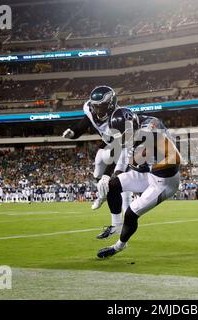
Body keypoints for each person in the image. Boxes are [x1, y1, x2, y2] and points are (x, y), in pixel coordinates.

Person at [96, 108, 181, 258]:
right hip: (148, 173)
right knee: (112, 185)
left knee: (130, 213)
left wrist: (148, 166)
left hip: (164, 180)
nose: (121, 139)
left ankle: (119, 246)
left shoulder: (152, 132)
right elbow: (121, 155)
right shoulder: (132, 129)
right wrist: (108, 175)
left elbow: (176, 159)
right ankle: (116, 226)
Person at [62, 86, 132, 239]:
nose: (98, 110)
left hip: (124, 148)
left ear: (111, 103)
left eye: (101, 106)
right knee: (98, 169)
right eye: (95, 106)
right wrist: (73, 133)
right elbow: (82, 125)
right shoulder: (90, 110)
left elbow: (119, 147)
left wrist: (109, 174)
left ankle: (120, 225)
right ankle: (102, 194)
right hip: (108, 145)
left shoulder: (119, 117)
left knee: (118, 182)